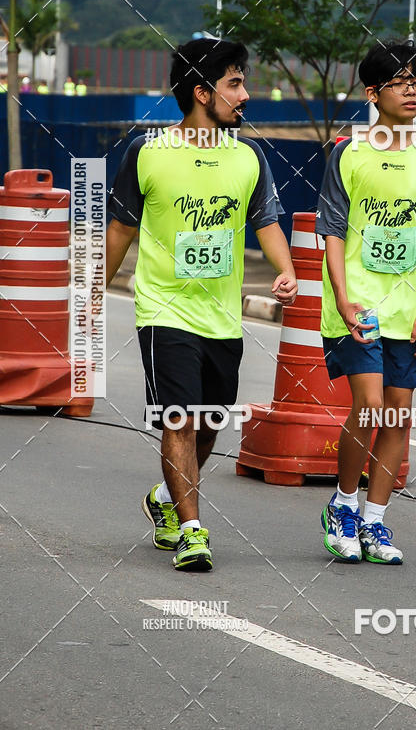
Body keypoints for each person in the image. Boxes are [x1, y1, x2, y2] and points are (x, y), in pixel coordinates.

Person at [106, 38, 297, 571]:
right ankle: (192, 531)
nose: (246, 94)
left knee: (210, 422)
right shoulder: (146, 152)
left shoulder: (248, 157)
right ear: (201, 92)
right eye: (235, 83)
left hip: (221, 316)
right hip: (163, 310)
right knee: (181, 418)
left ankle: (165, 498)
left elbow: (266, 222)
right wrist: (94, 289)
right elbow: (121, 228)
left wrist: (286, 270)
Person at [316, 39, 416, 564]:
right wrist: (342, 297)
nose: (411, 92)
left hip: (408, 310)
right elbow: (332, 231)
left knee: (399, 415)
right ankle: (343, 506)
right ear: (373, 93)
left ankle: (375, 521)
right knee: (371, 404)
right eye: (399, 83)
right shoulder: (348, 152)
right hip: (358, 305)